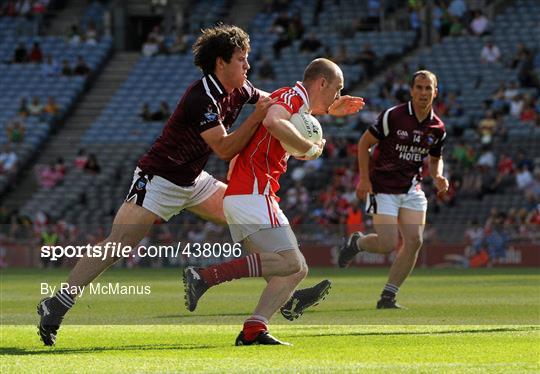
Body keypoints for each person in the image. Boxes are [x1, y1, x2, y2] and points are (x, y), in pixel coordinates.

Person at [37, 24, 279, 347]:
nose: (247, 66)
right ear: (221, 63)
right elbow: (223, 149)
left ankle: (280, 291)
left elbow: (272, 102)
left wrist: (311, 105)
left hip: (194, 181)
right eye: (241, 59)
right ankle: (57, 304)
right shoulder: (201, 97)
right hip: (158, 180)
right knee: (118, 245)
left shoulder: (240, 88)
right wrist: (256, 118)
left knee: (248, 216)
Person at [183, 58, 365, 345]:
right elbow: (272, 120)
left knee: (295, 269)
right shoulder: (290, 96)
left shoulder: (293, 101)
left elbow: (283, 122)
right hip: (253, 192)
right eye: (337, 89)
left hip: (249, 194)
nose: (338, 95)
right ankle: (206, 276)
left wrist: (330, 110)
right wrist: (309, 148)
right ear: (321, 83)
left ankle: (254, 329)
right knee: (290, 263)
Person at [337, 70, 449, 309]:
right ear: (411, 90)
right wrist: (364, 180)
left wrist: (438, 175)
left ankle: (388, 296)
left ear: (435, 92)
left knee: (414, 241)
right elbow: (364, 143)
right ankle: (356, 244)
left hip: (411, 188)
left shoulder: (438, 127)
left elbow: (435, 157)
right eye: (419, 87)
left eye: (428, 88)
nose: (423, 92)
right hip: (382, 187)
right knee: (387, 244)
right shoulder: (394, 116)